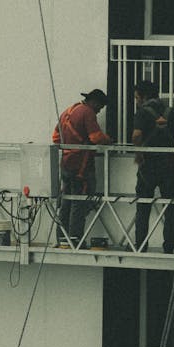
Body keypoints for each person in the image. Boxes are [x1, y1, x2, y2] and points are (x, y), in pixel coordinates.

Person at [132, 80, 174, 254]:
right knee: (170, 208)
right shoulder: (171, 112)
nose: (136, 101)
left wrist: (138, 154)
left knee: (143, 206)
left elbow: (136, 135)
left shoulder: (142, 113)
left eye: (137, 97)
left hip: (148, 167)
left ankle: (141, 246)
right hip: (169, 166)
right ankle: (168, 247)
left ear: (144, 97)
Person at [52, 89, 111, 246]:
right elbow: (96, 137)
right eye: (100, 107)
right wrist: (109, 141)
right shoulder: (88, 112)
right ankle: (75, 239)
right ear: (95, 103)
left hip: (65, 164)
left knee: (66, 202)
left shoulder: (68, 111)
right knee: (80, 202)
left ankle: (62, 238)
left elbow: (56, 138)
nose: (99, 111)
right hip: (81, 167)